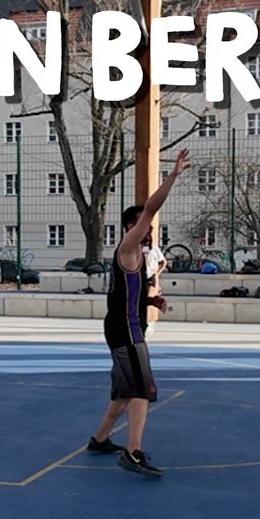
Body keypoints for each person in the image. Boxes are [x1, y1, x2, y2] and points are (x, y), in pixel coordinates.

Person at [86, 149, 191, 478]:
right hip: (126, 332)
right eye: (145, 227)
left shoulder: (137, 258)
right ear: (134, 227)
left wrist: (150, 302)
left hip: (123, 325)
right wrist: (172, 176)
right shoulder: (128, 247)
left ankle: (100, 440)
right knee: (142, 390)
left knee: (123, 391)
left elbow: (125, 297)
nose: (150, 232)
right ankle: (132, 452)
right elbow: (150, 208)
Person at [143, 239, 167, 336]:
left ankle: (148, 322)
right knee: (142, 300)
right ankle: (143, 321)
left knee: (148, 299)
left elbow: (163, 262)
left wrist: (157, 273)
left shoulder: (154, 249)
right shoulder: (138, 248)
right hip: (140, 276)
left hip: (150, 275)